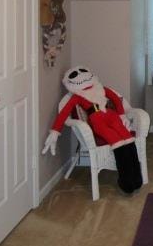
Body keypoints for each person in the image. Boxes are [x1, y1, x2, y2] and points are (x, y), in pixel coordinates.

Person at [42, 66, 143, 194]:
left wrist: (122, 115)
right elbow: (64, 113)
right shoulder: (77, 96)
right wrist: (55, 131)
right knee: (117, 142)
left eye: (83, 72)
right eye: (74, 75)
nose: (81, 75)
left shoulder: (101, 88)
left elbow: (116, 99)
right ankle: (126, 182)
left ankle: (137, 179)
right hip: (97, 121)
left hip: (113, 117)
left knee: (128, 139)